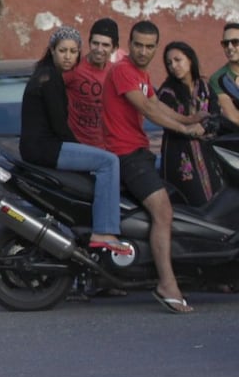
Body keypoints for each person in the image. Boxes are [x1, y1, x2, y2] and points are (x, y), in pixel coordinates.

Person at [103, 20, 206, 314]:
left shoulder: (141, 73)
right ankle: (167, 284)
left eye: (149, 47)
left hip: (139, 151)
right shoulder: (123, 70)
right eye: (138, 44)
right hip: (125, 155)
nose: (143, 51)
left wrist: (189, 119)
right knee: (164, 211)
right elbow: (146, 109)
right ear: (130, 43)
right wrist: (186, 131)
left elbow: (156, 103)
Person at [20, 27, 128, 254]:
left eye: (73, 51)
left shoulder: (47, 75)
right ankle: (104, 231)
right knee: (108, 162)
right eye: (62, 51)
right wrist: (80, 150)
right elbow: (60, 126)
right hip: (45, 148)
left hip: (40, 147)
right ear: (52, 51)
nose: (68, 56)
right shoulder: (50, 79)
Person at [157, 41, 223, 207]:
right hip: (179, 155)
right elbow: (168, 122)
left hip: (207, 154)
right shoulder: (167, 92)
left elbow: (216, 115)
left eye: (178, 60)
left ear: (190, 59)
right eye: (169, 63)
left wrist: (204, 126)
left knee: (216, 202)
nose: (174, 66)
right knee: (191, 203)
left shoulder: (205, 88)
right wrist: (189, 128)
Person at [63, 17, 118, 149]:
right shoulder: (73, 68)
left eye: (105, 45)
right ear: (89, 43)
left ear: (114, 48)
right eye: (95, 43)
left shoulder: (116, 73)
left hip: (105, 148)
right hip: (75, 146)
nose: (99, 49)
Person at [208, 22, 239, 131]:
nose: (230, 47)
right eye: (225, 43)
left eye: (235, 42)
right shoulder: (219, 78)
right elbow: (233, 117)